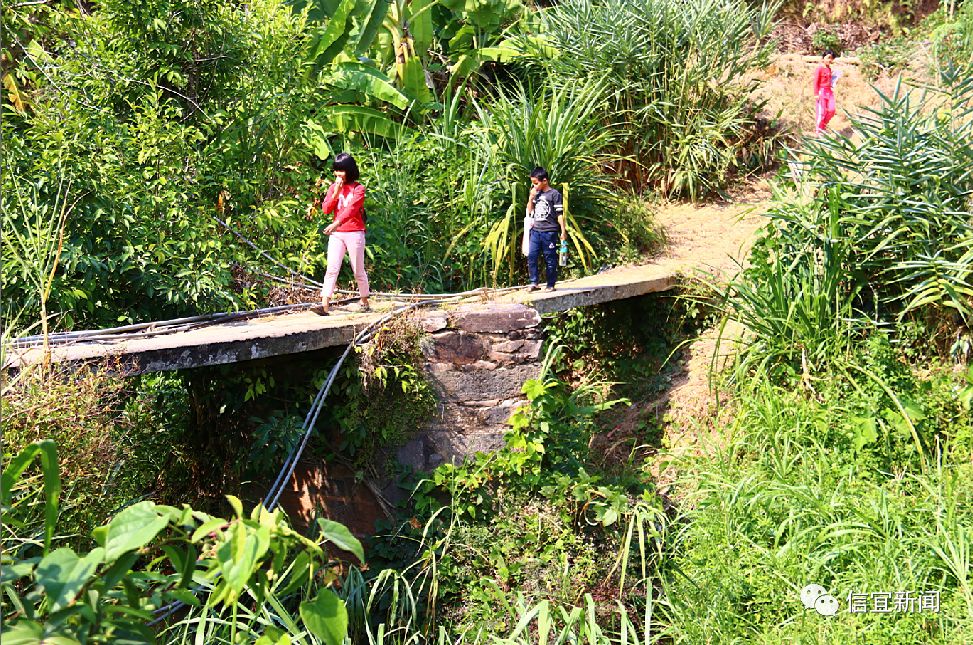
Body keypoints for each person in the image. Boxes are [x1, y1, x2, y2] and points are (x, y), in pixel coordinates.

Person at [306, 152, 370, 314]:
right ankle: (324, 304)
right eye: (336, 170)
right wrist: (335, 193)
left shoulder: (358, 188)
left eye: (341, 170)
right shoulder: (333, 188)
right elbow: (326, 209)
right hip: (337, 234)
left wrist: (336, 223)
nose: (338, 174)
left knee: (358, 270)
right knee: (332, 268)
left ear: (349, 170)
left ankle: (364, 301)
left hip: (354, 232)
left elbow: (352, 209)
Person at [525, 166, 566, 292]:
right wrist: (531, 198)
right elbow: (530, 210)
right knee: (532, 256)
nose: (534, 186)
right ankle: (534, 282)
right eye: (532, 183)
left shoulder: (554, 194)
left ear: (544, 181)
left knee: (550, 258)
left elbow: (560, 214)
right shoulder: (536, 194)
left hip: (549, 231)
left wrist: (563, 231)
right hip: (536, 231)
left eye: (536, 183)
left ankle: (550, 284)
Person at [814, 49, 838, 136]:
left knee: (832, 110)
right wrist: (816, 94)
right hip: (822, 91)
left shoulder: (829, 69)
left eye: (831, 58)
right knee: (821, 112)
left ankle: (823, 126)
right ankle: (819, 131)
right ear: (823, 58)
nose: (830, 60)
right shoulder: (819, 69)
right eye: (828, 58)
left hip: (829, 91)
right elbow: (816, 82)